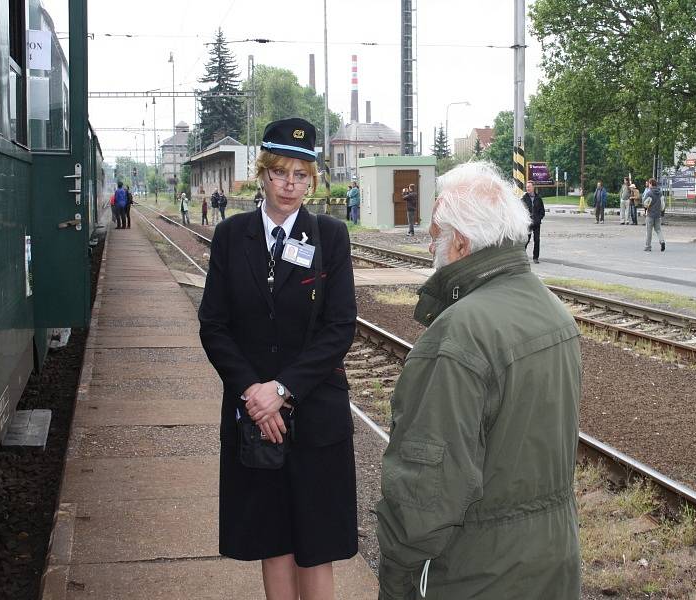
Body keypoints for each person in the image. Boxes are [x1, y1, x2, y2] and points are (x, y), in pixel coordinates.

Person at [376, 161, 581, 600]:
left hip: (475, 575)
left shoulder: (458, 334)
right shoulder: (553, 311)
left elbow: (423, 501)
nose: (430, 245)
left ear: (461, 245)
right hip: (552, 564)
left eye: (436, 235)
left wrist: (396, 586)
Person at [199, 117, 358, 600]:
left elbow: (339, 328)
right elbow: (215, 325)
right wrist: (254, 393)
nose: (290, 186)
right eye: (280, 173)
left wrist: (282, 391)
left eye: (302, 175)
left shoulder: (330, 238)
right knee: (273, 541)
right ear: (263, 174)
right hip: (253, 417)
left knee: (315, 544)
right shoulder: (231, 237)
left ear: (312, 180)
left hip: (314, 414)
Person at [522, 180, 546, 263]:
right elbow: (520, 211)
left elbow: (542, 212)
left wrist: (538, 219)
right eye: (527, 187)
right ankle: (523, 257)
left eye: (529, 187)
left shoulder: (538, 198)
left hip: (536, 223)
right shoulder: (523, 199)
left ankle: (535, 258)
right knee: (526, 240)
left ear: (533, 187)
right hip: (527, 223)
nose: (527, 188)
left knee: (537, 240)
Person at [643, 177, 666, 252]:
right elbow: (662, 205)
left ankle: (648, 246)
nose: (648, 185)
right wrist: (661, 210)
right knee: (658, 229)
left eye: (649, 183)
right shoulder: (660, 193)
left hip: (650, 215)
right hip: (658, 215)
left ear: (651, 184)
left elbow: (645, 203)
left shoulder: (649, 193)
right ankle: (662, 241)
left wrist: (646, 207)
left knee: (649, 231)